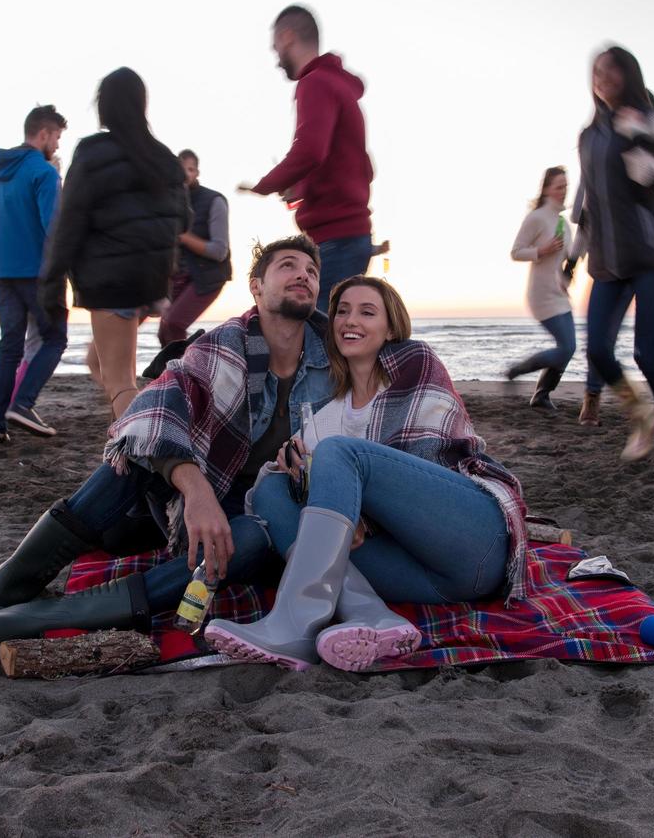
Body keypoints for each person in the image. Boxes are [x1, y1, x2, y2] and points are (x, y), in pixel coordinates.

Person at [0, 237, 335, 669]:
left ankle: (38, 616)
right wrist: (195, 490)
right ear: (256, 287)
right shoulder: (223, 344)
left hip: (270, 511)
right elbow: (155, 406)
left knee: (250, 538)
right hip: (203, 492)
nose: (303, 274)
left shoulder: (336, 356)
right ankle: (6, 586)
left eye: (312, 270)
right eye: (288, 265)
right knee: (134, 457)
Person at [204, 275, 531, 672]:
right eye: (341, 311)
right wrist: (293, 472)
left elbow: (434, 460)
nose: (349, 320)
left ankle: (295, 619)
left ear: (390, 327)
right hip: (427, 580)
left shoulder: (414, 364)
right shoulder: (328, 417)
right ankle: (372, 616)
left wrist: (365, 518)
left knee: (339, 454)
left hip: (473, 542)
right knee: (272, 486)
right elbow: (289, 493)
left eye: (366, 311)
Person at [574, 46, 654, 480]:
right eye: (595, 72)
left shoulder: (651, 122)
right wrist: (575, 254)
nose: (601, 78)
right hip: (608, 258)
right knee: (598, 351)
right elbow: (587, 200)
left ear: (628, 76)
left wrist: (634, 140)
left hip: (650, 254)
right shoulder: (588, 137)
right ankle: (640, 414)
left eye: (610, 71)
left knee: (648, 351)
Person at [40, 68, 190, 419]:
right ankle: (125, 442)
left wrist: (50, 285)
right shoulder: (163, 157)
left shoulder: (94, 153)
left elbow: (69, 223)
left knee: (119, 381)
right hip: (149, 281)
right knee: (98, 361)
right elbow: (183, 220)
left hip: (110, 281)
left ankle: (142, 449)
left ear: (103, 107)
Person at [242, 4, 376, 312]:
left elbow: (310, 151)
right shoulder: (338, 86)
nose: (276, 59)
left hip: (337, 237)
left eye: (275, 47)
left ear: (288, 37)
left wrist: (264, 185)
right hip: (349, 234)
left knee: (310, 335)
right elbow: (362, 167)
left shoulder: (315, 82)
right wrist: (301, 187)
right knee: (326, 337)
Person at [0, 104, 69, 450]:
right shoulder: (44, 173)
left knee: (10, 348)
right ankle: (23, 405)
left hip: (1, 272)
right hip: (35, 273)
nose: (58, 145)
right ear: (44, 134)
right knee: (55, 338)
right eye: (58, 137)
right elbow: (54, 229)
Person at [572, 197, 654, 429]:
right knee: (601, 344)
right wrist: (571, 262)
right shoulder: (600, 164)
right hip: (615, 264)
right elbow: (583, 214)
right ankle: (594, 396)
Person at [504, 167, 578, 410]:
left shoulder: (563, 223)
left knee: (569, 348)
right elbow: (516, 252)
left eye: (565, 186)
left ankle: (542, 394)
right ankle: (518, 369)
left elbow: (566, 261)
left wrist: (566, 279)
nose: (563, 191)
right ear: (546, 189)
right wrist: (540, 251)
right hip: (541, 295)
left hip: (559, 294)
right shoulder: (536, 217)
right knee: (565, 347)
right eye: (558, 186)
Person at [158, 149, 231, 346]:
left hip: (208, 276)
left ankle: (186, 371)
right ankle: (172, 372)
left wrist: (183, 237)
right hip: (177, 277)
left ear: (197, 172)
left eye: (190, 169)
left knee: (174, 324)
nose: (185, 174)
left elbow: (219, 251)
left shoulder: (214, 200)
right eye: (180, 170)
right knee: (164, 330)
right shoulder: (167, 203)